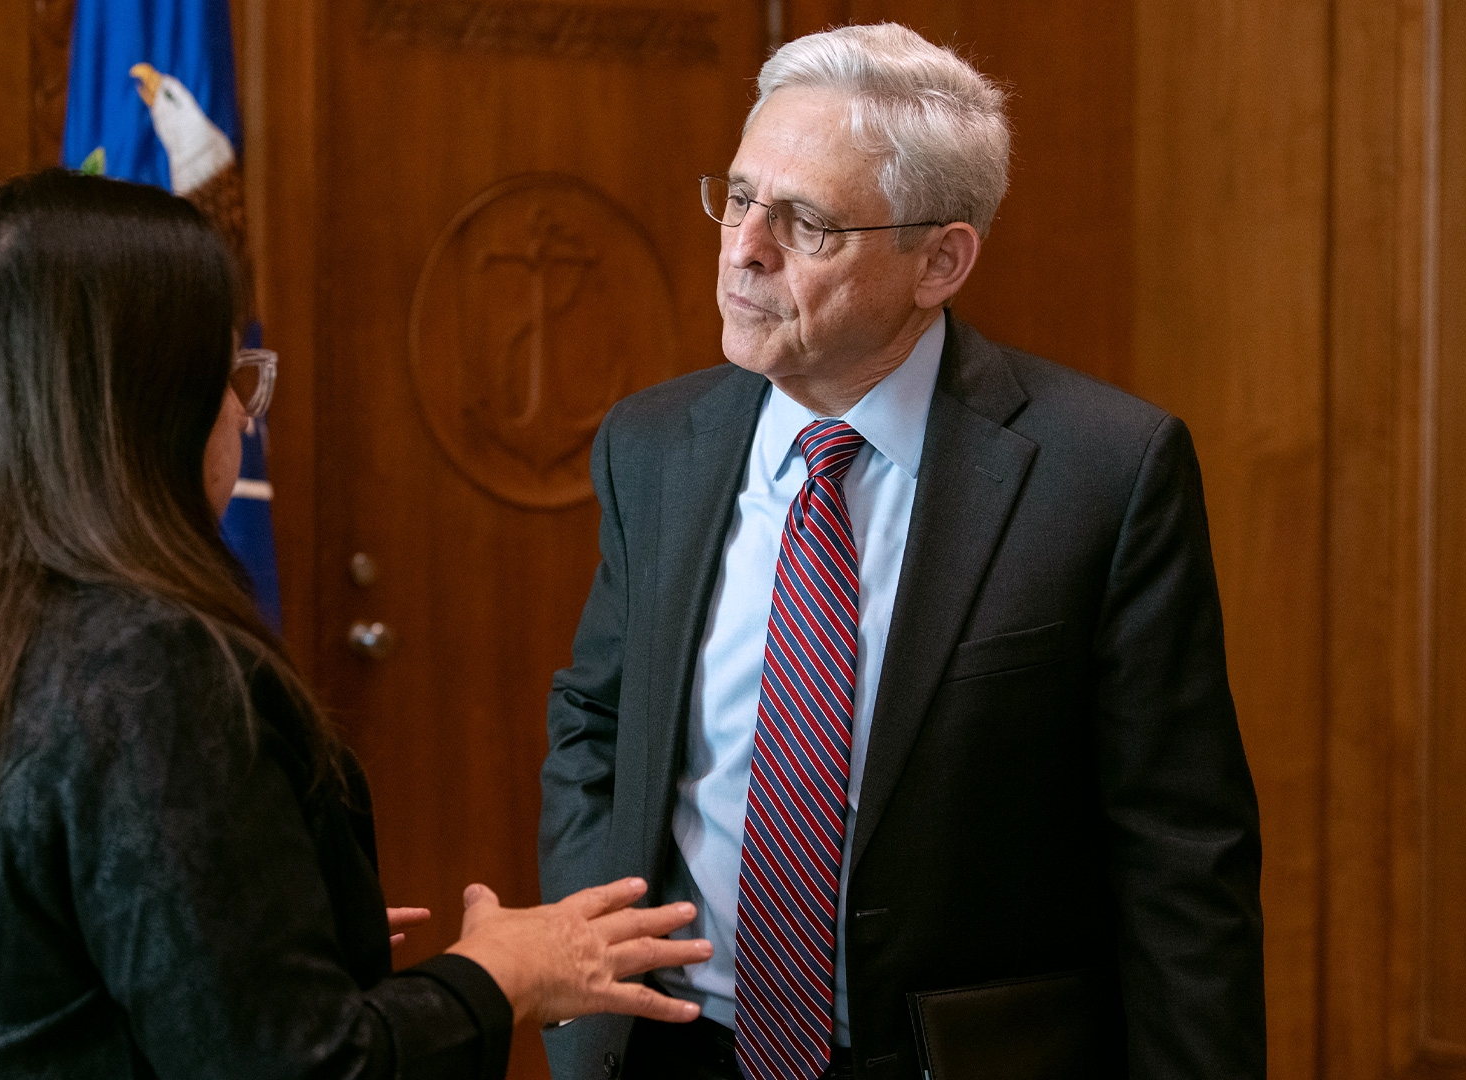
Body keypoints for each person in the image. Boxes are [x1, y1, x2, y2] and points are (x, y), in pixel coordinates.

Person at [0, 169, 710, 1079]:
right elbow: (304, 1070)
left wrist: (254, 926)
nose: (246, 415)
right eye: (235, 377)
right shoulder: (144, 666)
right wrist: (503, 974)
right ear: (148, 407)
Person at [538, 23, 1264, 1080]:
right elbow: (596, 719)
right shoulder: (652, 444)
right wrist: (589, 998)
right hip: (672, 1047)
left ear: (941, 259)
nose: (745, 248)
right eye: (739, 197)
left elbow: (1179, 854)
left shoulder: (1104, 474)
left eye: (808, 223)